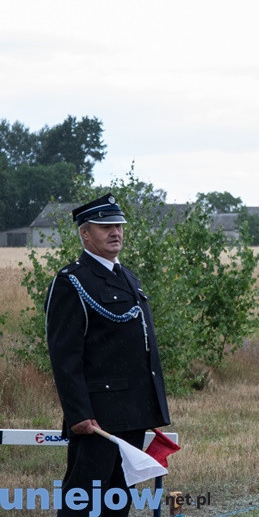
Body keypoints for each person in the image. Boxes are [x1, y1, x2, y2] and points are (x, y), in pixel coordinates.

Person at [45, 193, 171, 517]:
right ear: (85, 233)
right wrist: (78, 414)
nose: (116, 232)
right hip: (97, 416)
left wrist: (152, 404)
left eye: (118, 225)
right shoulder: (71, 281)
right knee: (83, 500)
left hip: (132, 412)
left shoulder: (127, 275)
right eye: (105, 226)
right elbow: (65, 356)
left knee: (117, 500)